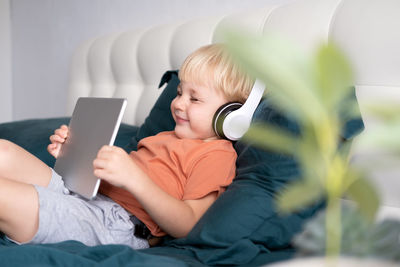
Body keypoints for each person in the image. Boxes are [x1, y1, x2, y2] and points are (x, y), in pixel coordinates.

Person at [0, 44, 254, 249]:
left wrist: (135, 179)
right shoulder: (164, 137)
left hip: (115, 224)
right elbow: (108, 180)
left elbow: (188, 223)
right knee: (4, 152)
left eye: (194, 98)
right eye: (178, 93)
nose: (178, 104)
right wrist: (72, 155)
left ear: (230, 114)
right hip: (87, 195)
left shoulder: (216, 155)